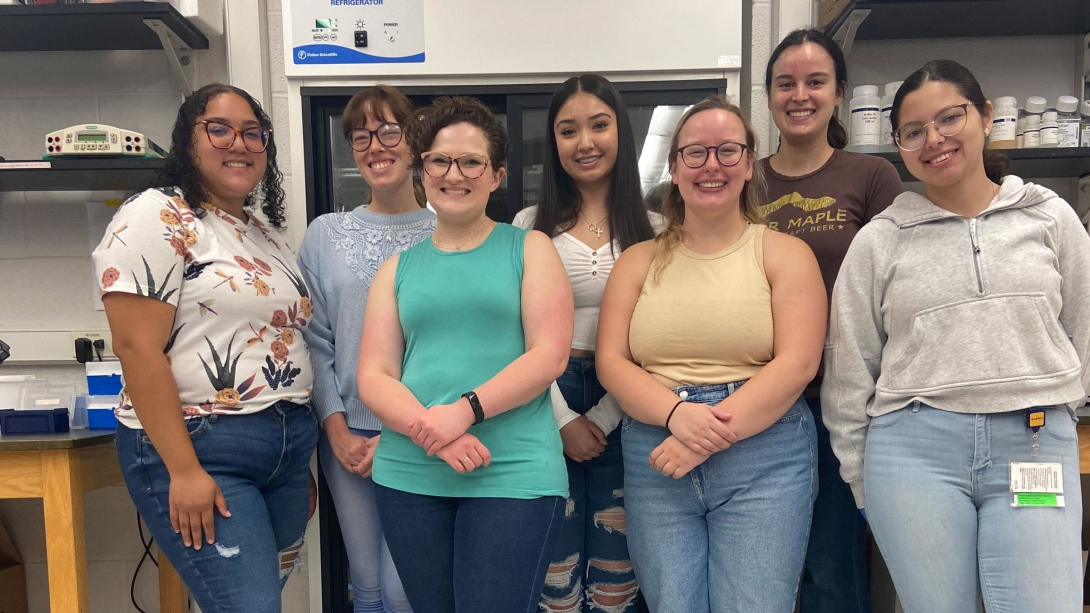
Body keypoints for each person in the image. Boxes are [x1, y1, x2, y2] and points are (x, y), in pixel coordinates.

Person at [823, 59, 1089, 613]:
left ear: (986, 116)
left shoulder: (1049, 216)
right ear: (898, 144)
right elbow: (850, 369)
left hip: (1033, 439)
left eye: (950, 118)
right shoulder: (880, 241)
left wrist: (1057, 401)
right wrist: (860, 479)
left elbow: (1082, 328)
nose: (934, 140)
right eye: (914, 132)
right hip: (914, 452)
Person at [597, 95, 827, 613]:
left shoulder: (785, 253)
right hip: (658, 446)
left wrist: (702, 438)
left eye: (728, 151)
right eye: (695, 153)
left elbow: (798, 364)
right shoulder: (637, 261)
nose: (712, 166)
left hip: (765, 452)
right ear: (674, 169)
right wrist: (678, 416)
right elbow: (613, 362)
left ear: (749, 164)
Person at [93, 83, 318, 613]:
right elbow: (135, 348)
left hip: (283, 449)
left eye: (252, 133)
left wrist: (294, 458)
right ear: (187, 140)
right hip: (203, 447)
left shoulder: (260, 231)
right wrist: (184, 471)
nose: (237, 142)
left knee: (254, 600)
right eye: (218, 128)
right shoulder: (156, 216)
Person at [357, 95, 575, 613]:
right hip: (410, 470)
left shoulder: (530, 248)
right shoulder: (396, 269)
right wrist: (433, 433)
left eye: (472, 161)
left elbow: (548, 356)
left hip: (513, 469)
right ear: (422, 169)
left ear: (496, 175)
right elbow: (375, 373)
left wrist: (463, 412)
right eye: (440, 160)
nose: (455, 174)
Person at [761, 28, 902, 613]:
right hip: (754, 402)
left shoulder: (871, 178)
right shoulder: (744, 178)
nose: (800, 94)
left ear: (840, 92)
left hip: (836, 404)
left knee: (831, 565)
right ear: (768, 94)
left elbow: (896, 294)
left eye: (815, 81)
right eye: (786, 83)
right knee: (764, 566)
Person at [513, 73, 661, 613]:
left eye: (599, 126)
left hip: (630, 399)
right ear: (554, 143)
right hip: (543, 396)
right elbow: (518, 337)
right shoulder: (530, 226)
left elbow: (658, 346)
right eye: (568, 130)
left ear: (620, 130)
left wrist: (601, 418)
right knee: (555, 563)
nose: (585, 142)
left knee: (618, 561)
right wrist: (561, 419)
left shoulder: (658, 229)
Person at [299, 85, 432, 613]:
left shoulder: (449, 230)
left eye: (389, 131)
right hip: (347, 438)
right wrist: (335, 429)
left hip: (423, 435)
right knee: (367, 585)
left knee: (405, 591)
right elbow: (314, 340)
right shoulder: (325, 234)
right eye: (361, 136)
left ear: (415, 140)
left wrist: (412, 431)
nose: (375, 145)